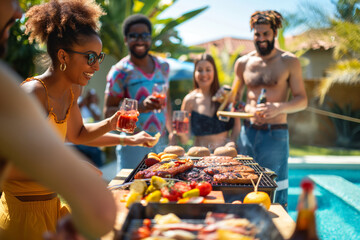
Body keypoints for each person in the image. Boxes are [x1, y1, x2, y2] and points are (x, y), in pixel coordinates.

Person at [1, 1, 156, 239]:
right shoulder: (34, 93)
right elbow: (8, 167)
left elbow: (78, 134)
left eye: (99, 57)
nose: (95, 66)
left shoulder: (73, 91)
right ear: (63, 55)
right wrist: (64, 169)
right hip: (22, 213)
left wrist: (116, 128)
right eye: (90, 57)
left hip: (53, 207)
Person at [230, 10, 308, 208]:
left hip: (275, 135)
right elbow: (233, 102)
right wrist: (248, 107)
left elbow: (302, 100)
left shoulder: (289, 62)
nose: (261, 38)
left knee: (276, 190)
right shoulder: (243, 63)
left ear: (275, 33)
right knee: (243, 185)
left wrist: (278, 107)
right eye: (257, 34)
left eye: (266, 34)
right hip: (248, 133)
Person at [104, 14, 172, 171]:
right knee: (131, 191)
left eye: (145, 35)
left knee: (162, 189)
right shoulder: (119, 71)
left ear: (150, 38)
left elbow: (167, 101)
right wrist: (141, 107)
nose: (140, 40)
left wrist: (172, 131)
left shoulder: (164, 67)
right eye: (134, 36)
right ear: (126, 39)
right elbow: (108, 112)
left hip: (161, 143)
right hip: (132, 144)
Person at [177, 54, 237, 152]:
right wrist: (179, 131)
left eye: (208, 69)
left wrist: (232, 141)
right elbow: (185, 140)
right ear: (194, 73)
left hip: (225, 155)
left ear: (214, 72)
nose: (204, 74)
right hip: (200, 156)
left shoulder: (225, 95)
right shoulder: (189, 100)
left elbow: (237, 125)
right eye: (199, 70)